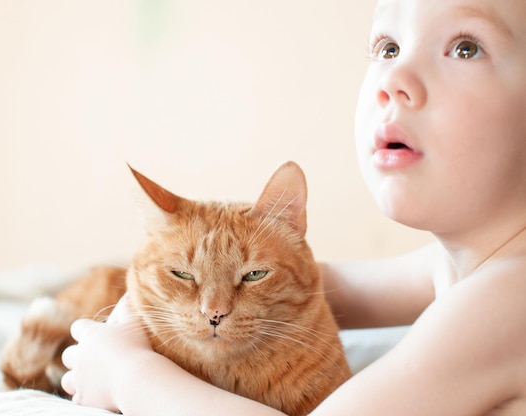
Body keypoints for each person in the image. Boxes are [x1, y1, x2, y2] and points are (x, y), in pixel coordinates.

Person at [60, 0, 526, 414]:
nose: (393, 80)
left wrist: (128, 376)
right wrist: (152, 306)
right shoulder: (460, 266)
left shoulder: (508, 301)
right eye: (387, 47)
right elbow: (329, 286)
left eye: (465, 48)